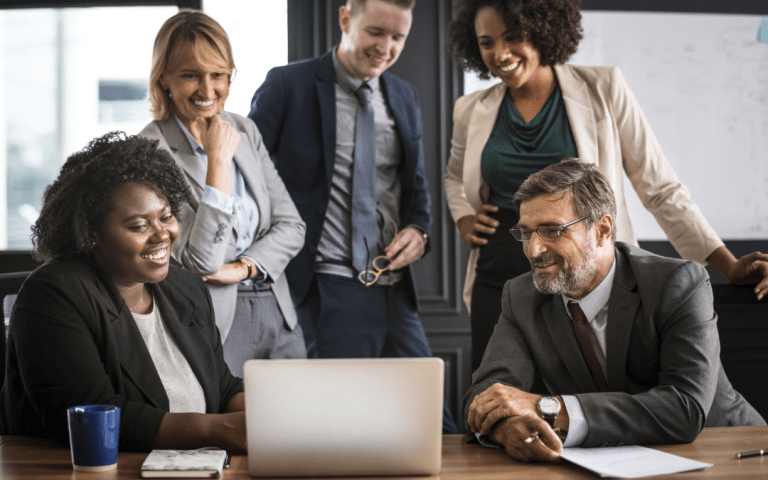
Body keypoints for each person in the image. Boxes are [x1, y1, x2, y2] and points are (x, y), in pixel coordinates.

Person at [445, 0, 768, 372]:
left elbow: (659, 187)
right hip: (499, 266)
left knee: (586, 389)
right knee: (497, 387)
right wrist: (465, 219)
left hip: (582, 265)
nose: (500, 54)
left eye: (513, 37)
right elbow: (455, 176)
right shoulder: (470, 109)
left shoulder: (603, 88)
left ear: (544, 29)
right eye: (487, 42)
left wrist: (726, 265)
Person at [464, 158, 765, 462]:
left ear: (602, 230)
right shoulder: (521, 296)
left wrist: (548, 408)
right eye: (526, 233)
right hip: (607, 463)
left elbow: (684, 408)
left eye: (551, 230)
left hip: (728, 453)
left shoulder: (677, 283)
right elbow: (485, 396)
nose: (533, 250)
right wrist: (509, 427)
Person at [248, 0, 456, 433]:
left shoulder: (403, 95)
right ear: (346, 18)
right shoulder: (288, 86)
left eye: (398, 37)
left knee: (435, 424)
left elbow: (415, 187)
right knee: (338, 426)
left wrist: (420, 230)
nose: (386, 47)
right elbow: (247, 176)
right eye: (375, 32)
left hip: (395, 292)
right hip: (325, 288)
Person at [0, 132, 246, 453]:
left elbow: (222, 387)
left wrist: (270, 411)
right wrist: (217, 430)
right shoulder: (54, 295)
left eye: (166, 216)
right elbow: (92, 417)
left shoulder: (185, 287)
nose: (162, 234)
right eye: (138, 226)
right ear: (92, 233)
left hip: (189, 466)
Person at [140, 10, 307, 376]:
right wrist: (218, 162)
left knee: (298, 428)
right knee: (228, 430)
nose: (208, 89)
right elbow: (202, 260)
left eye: (219, 75)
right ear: (164, 78)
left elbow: (292, 226)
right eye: (190, 76)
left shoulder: (244, 129)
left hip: (277, 310)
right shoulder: (150, 150)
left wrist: (244, 267)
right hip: (214, 319)